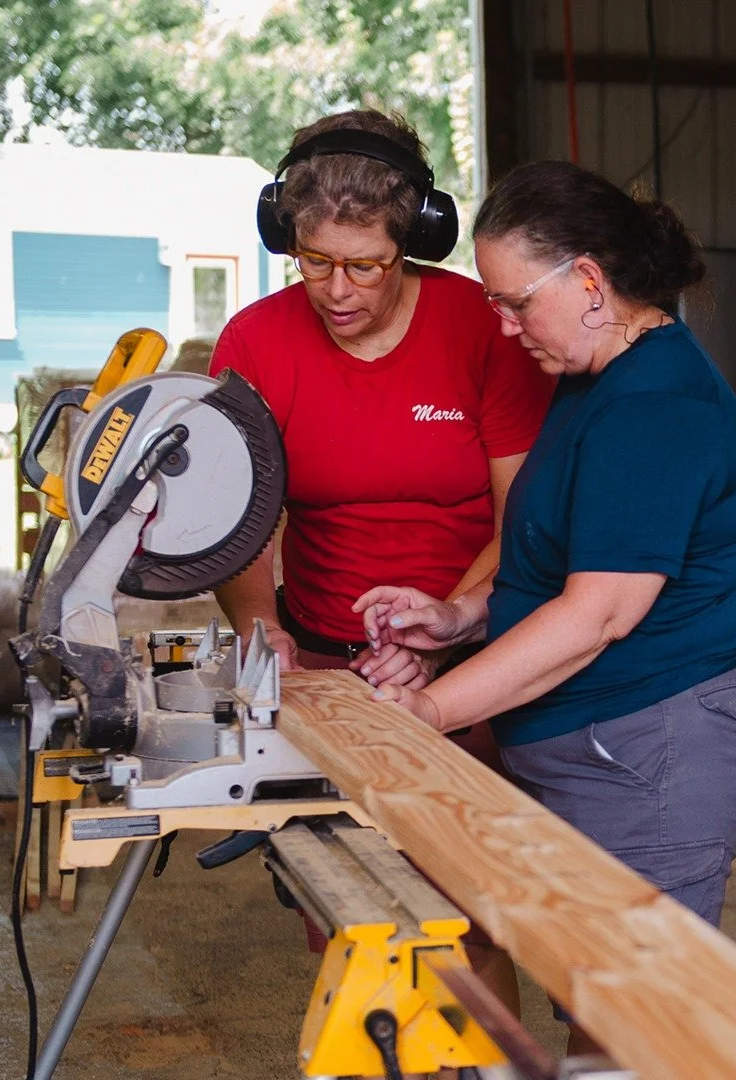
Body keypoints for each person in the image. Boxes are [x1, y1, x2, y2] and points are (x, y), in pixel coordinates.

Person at [355, 159, 736, 1055]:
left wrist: (430, 708)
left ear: (588, 282)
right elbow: (555, 551)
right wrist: (459, 618)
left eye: (513, 303)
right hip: (590, 747)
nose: (502, 329)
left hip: (650, 753)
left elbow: (599, 615)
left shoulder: (657, 404)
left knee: (634, 1028)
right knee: (590, 1005)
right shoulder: (595, 379)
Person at [208, 110, 554, 1005]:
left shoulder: (481, 328)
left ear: (415, 240)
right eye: (315, 260)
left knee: (462, 917)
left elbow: (527, 518)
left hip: (474, 656)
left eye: (366, 264)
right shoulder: (255, 341)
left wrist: (445, 635)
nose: (337, 288)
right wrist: (262, 629)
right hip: (324, 666)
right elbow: (233, 515)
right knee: (351, 913)